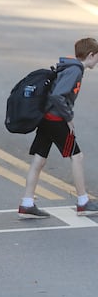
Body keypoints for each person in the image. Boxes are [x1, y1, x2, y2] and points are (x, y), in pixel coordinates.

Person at [18, 38, 98, 218]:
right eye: (97, 57)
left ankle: (27, 203)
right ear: (91, 55)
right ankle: (83, 201)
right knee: (77, 156)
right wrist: (68, 117)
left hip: (47, 118)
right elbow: (57, 95)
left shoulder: (70, 67)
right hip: (55, 119)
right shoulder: (75, 70)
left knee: (39, 159)